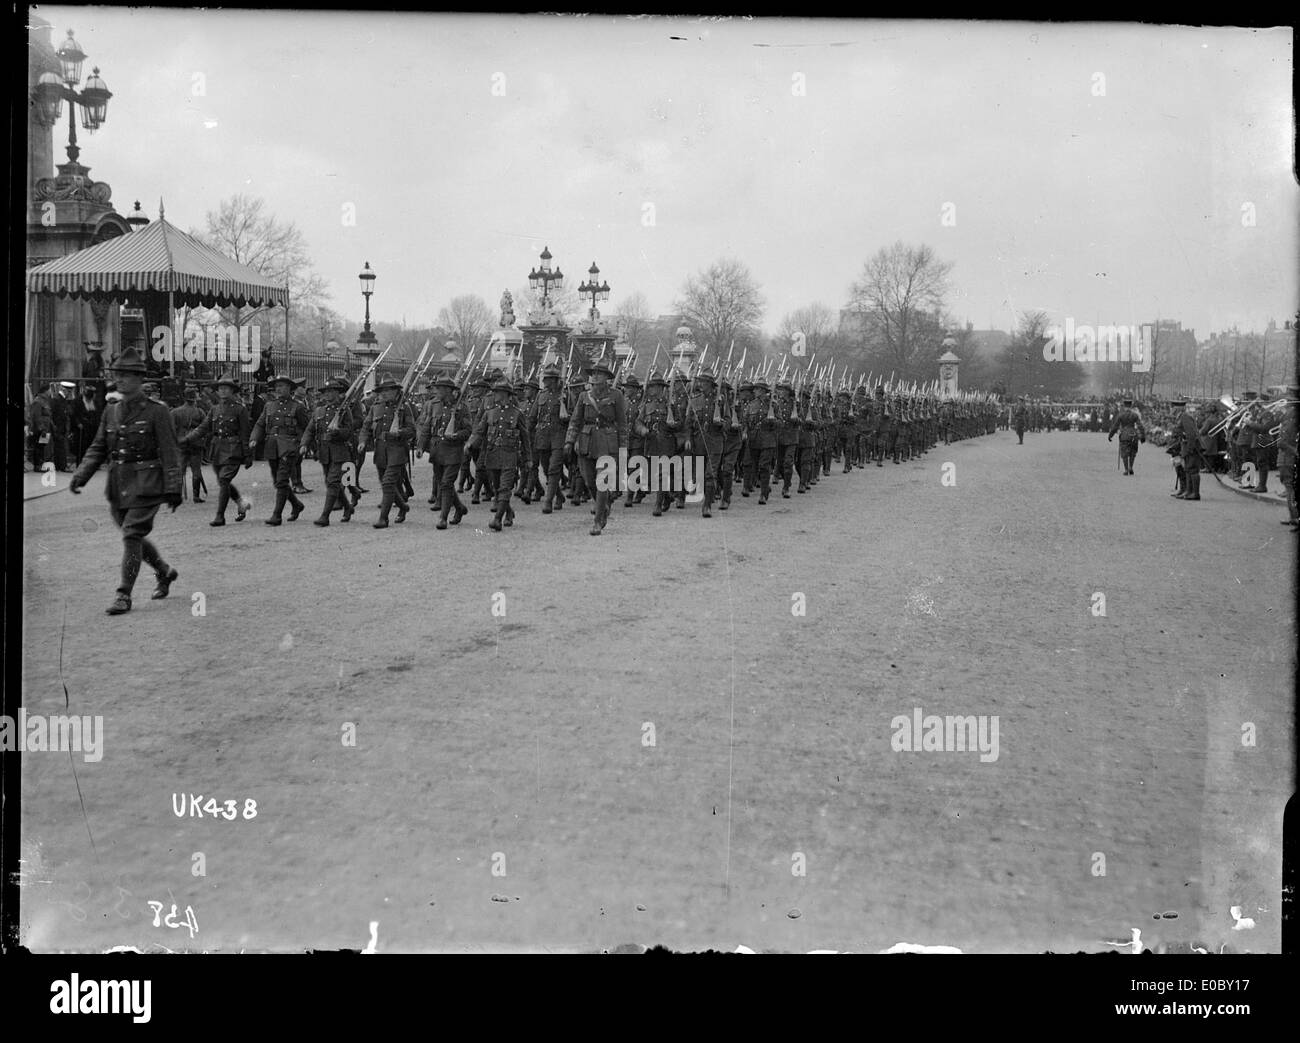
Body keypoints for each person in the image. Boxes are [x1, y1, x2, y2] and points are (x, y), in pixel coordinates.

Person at [68, 348, 182, 616]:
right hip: (118, 486)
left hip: (148, 484)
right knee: (134, 536)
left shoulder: (157, 412)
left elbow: (169, 452)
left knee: (132, 534)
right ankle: (164, 572)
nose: (120, 380)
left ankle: (123, 594)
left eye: (126, 375)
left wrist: (174, 488)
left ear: (140, 379)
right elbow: (98, 447)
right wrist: (80, 475)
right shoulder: (111, 411)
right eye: (117, 375)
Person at [564, 358, 627, 535]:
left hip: (608, 443)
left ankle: (598, 521)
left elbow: (622, 424)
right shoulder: (585, 396)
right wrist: (569, 441)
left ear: (607, 377)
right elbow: (575, 421)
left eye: (599, 374)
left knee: (602, 482)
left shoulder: (616, 395)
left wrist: (623, 449)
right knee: (589, 481)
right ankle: (604, 503)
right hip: (587, 442)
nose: (595, 376)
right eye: (594, 374)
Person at [181, 375, 252, 525]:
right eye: (220, 389)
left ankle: (220, 516)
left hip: (234, 449)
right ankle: (241, 502)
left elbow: (245, 433)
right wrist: (187, 439)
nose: (223, 391)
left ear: (232, 391)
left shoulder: (240, 409)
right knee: (222, 481)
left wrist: (247, 455)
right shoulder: (214, 409)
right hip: (217, 449)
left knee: (224, 480)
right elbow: (202, 428)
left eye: (226, 388)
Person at [467, 376, 531, 532]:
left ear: (506, 395)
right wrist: (470, 443)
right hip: (492, 453)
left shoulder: (517, 414)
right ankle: (509, 512)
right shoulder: (490, 413)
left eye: (498, 392)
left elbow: (525, 437)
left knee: (504, 488)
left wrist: (528, 458)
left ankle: (497, 519)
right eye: (494, 392)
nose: (495, 395)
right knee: (497, 487)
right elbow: (480, 431)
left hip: (510, 455)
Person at [250, 374, 309, 525]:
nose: (278, 389)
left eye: (282, 386)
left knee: (282, 480)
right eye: (276, 386)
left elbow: (307, 428)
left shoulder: (298, 407)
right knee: (278, 481)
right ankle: (296, 505)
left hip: (289, 447)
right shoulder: (269, 405)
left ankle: (277, 515)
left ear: (289, 388)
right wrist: (254, 438)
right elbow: (260, 424)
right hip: (272, 446)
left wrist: (302, 444)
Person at [357, 377, 416, 528]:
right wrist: (362, 441)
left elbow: (412, 430)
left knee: (388, 482)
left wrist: (399, 432)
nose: (385, 393)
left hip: (397, 450)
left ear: (396, 392)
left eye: (389, 390)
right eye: (383, 390)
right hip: (380, 451)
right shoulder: (376, 407)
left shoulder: (404, 407)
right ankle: (403, 507)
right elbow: (366, 426)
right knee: (386, 484)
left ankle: (383, 518)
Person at [414, 375, 471, 529]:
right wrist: (420, 446)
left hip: (453, 451)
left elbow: (468, 430)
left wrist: (457, 435)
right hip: (437, 451)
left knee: (446, 483)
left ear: (447, 390)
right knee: (443, 483)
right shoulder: (434, 405)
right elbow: (427, 427)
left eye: (439, 388)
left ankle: (443, 517)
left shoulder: (461, 407)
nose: (436, 390)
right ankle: (459, 508)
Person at [300, 377, 355, 526]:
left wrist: (338, 432)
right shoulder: (319, 411)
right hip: (324, 452)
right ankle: (348, 507)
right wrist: (304, 444)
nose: (328, 394)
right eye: (326, 392)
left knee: (332, 482)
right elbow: (310, 429)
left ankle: (325, 516)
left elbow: (349, 431)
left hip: (339, 452)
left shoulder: (344, 410)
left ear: (338, 393)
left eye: (332, 391)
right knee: (332, 484)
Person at [170, 387, 209, 501]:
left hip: (180, 442)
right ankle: (196, 496)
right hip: (196, 442)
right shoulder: (199, 411)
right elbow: (205, 427)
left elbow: (170, 428)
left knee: (180, 469)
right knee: (196, 470)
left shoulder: (175, 412)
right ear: (195, 399)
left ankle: (176, 495)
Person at [1174, 399, 1205, 501]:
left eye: (1173, 406)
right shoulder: (1182, 416)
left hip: (1192, 446)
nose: (1172, 409)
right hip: (1187, 445)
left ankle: (1195, 493)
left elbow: (1191, 434)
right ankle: (1189, 491)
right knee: (1188, 469)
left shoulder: (1185, 417)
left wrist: (1190, 449)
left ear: (1178, 407)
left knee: (1192, 469)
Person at [1108, 396, 1146, 475]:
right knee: (1133, 452)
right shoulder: (1135, 415)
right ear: (1131, 406)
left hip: (1124, 434)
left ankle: (1126, 469)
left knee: (1124, 452)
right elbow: (1140, 426)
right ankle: (1131, 467)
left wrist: (1110, 435)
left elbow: (1115, 426)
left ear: (1124, 405)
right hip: (1133, 434)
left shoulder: (1121, 415)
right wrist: (1142, 436)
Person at [71, 381, 103, 465]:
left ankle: (90, 463)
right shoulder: (77, 401)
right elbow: (74, 414)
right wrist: (78, 423)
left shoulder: (95, 402)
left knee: (91, 446)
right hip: (81, 428)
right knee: (80, 447)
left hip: (92, 428)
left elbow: (97, 414)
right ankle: (80, 463)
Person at [27, 382, 54, 471]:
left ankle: (41, 465)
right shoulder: (38, 401)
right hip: (40, 429)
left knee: (42, 446)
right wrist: (41, 428)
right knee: (38, 447)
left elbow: (48, 415)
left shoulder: (45, 401)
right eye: (49, 390)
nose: (50, 391)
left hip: (46, 429)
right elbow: (36, 416)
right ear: (45, 391)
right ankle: (37, 466)